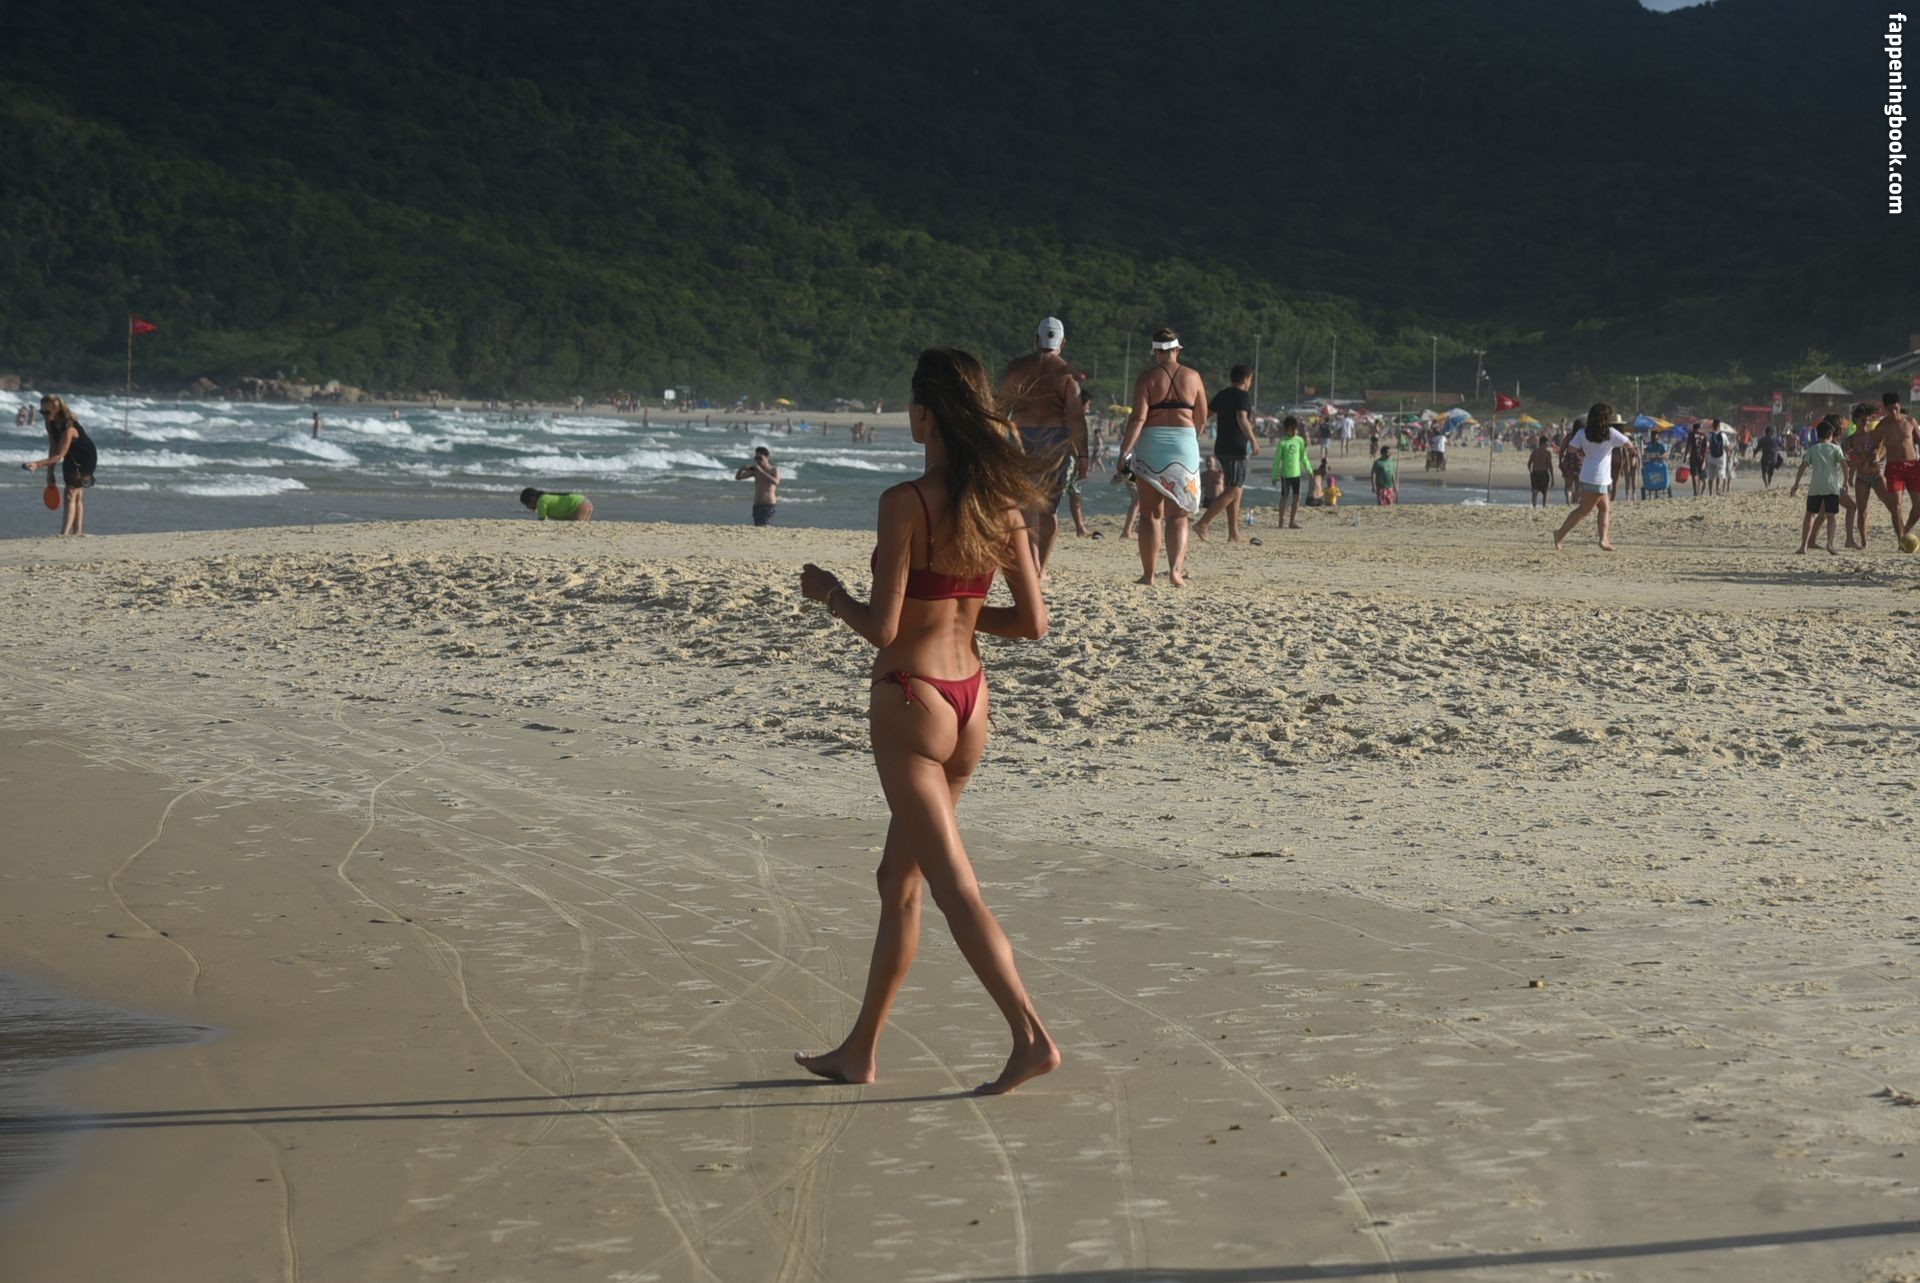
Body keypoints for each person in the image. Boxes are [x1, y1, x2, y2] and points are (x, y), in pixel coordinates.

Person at [794, 346, 1057, 1095]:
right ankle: (860, 1050)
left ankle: (1031, 1036)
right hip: (969, 700)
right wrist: (959, 617)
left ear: (926, 415)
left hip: (911, 700)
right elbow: (1032, 623)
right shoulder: (1003, 506)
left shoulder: (904, 502)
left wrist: (829, 594)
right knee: (897, 878)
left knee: (953, 886)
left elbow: (882, 628)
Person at [998, 316, 1089, 579]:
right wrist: (1083, 455)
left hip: (1019, 438)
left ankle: (1032, 559)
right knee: (1049, 508)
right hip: (1053, 440)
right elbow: (1075, 417)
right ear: (1063, 342)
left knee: (1025, 503)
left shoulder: (1016, 368)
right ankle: (1041, 568)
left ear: (1036, 339)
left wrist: (993, 445)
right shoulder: (1067, 374)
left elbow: (1001, 410)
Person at [1117, 328, 1207, 585]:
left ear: (1155, 352)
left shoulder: (1146, 378)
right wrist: (1189, 437)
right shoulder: (1193, 376)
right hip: (1184, 444)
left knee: (1150, 514)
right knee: (1178, 515)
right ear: (1177, 349)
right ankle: (1175, 572)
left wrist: (1124, 452)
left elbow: (1138, 418)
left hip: (1152, 446)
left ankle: (1149, 575)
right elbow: (1201, 418)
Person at [1195, 364, 1260, 542]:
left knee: (1234, 487)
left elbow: (1205, 414)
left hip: (1221, 446)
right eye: (1251, 380)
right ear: (1246, 379)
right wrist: (1253, 440)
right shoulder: (1242, 395)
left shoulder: (1222, 394)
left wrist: (1196, 430)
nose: (1250, 383)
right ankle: (1203, 523)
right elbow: (1241, 417)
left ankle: (1233, 533)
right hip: (1235, 447)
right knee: (1234, 489)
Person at [1552, 404, 1630, 552]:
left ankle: (1603, 539)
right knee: (1583, 510)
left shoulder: (1582, 432)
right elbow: (1629, 444)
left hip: (1588, 474)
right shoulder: (1611, 433)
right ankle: (1559, 534)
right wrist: (1611, 448)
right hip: (1599, 477)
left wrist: (1585, 453)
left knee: (1604, 508)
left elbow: (1571, 449)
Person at [21, 395, 98, 536]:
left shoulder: (68, 427)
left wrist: (37, 464)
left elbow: (59, 455)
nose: (44, 415)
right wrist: (49, 473)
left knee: (70, 492)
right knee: (75, 494)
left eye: (47, 412)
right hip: (70, 455)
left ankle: (64, 533)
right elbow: (53, 448)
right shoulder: (49, 423)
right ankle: (78, 533)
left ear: (57, 410)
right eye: (42, 412)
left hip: (85, 456)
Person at [1789, 420, 1845, 555]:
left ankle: (1804, 546)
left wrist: (1796, 484)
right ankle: (1830, 544)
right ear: (1831, 435)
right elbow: (1844, 464)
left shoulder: (1812, 449)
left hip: (1816, 487)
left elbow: (1802, 466)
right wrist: (1846, 481)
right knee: (1831, 516)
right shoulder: (1836, 448)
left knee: (1810, 515)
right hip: (1832, 487)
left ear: (1817, 434)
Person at [1874, 390, 1920, 540]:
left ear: (1900, 405)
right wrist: (1875, 457)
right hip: (1893, 468)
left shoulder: (1910, 421)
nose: (1893, 412)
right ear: (1885, 409)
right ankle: (1901, 539)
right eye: (1890, 409)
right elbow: (1876, 446)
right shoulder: (1882, 426)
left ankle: (1905, 530)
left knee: (1918, 505)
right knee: (1896, 505)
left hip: (1913, 466)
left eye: (1896, 408)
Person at [1844, 403, 1888, 550]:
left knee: (1891, 505)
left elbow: (1887, 448)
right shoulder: (1850, 440)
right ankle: (1864, 542)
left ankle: (1902, 535)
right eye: (1863, 419)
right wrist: (1849, 476)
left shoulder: (1874, 435)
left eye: (1868, 419)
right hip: (1862, 478)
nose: (1866, 422)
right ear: (1856, 420)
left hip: (1877, 475)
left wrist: (1881, 460)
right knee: (1862, 511)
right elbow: (1845, 459)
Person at [1270, 415, 1310, 529]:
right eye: (1292, 429)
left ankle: (1292, 521)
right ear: (1286, 429)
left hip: (1296, 474)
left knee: (1297, 497)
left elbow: (1303, 457)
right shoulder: (1282, 442)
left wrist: (1309, 470)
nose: (1294, 431)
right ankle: (1281, 521)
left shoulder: (1299, 440)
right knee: (1284, 497)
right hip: (1285, 475)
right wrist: (1274, 476)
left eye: (1295, 429)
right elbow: (1276, 461)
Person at [737, 447, 780, 525]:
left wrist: (762, 471)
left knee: (764, 526)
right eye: (756, 458)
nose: (758, 461)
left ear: (767, 457)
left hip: (768, 504)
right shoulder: (755, 471)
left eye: (760, 458)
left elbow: (776, 482)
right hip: (757, 504)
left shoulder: (774, 470)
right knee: (757, 526)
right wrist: (741, 469)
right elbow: (738, 477)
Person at [517, 487, 593, 521]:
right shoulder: (545, 497)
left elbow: (542, 520)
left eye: (527, 504)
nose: (527, 507)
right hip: (585, 502)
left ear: (532, 499)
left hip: (578, 504)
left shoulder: (541, 501)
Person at [1526, 435, 1555, 507]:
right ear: (1544, 443)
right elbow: (1550, 466)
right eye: (1547, 443)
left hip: (1535, 473)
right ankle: (1544, 506)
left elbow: (1529, 464)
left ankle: (1534, 506)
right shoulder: (1547, 453)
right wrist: (1552, 479)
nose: (1547, 445)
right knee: (1544, 492)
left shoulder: (1534, 452)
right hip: (1544, 473)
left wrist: (1531, 472)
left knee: (1534, 492)